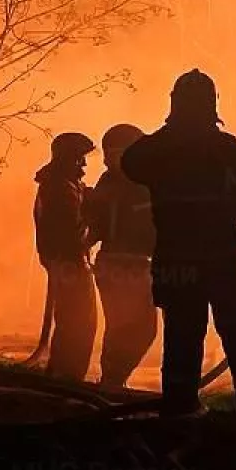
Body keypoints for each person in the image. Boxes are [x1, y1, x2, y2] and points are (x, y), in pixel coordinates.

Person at [121, 69, 236, 417]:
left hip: (178, 263)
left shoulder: (159, 152)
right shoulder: (227, 150)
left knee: (181, 339)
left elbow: (132, 162)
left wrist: (171, 133)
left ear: (174, 105)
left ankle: (180, 411)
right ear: (213, 106)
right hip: (226, 263)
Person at [84, 123, 158, 391]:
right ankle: (112, 383)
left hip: (125, 265)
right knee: (131, 328)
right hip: (125, 265)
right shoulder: (140, 184)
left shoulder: (119, 182)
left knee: (129, 328)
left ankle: (112, 381)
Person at [34, 132, 98, 382]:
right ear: (67, 158)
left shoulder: (60, 185)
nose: (84, 164)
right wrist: (94, 214)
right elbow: (72, 232)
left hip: (64, 262)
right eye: (79, 158)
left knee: (73, 321)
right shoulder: (60, 190)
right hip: (69, 263)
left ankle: (63, 376)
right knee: (79, 323)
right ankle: (67, 380)